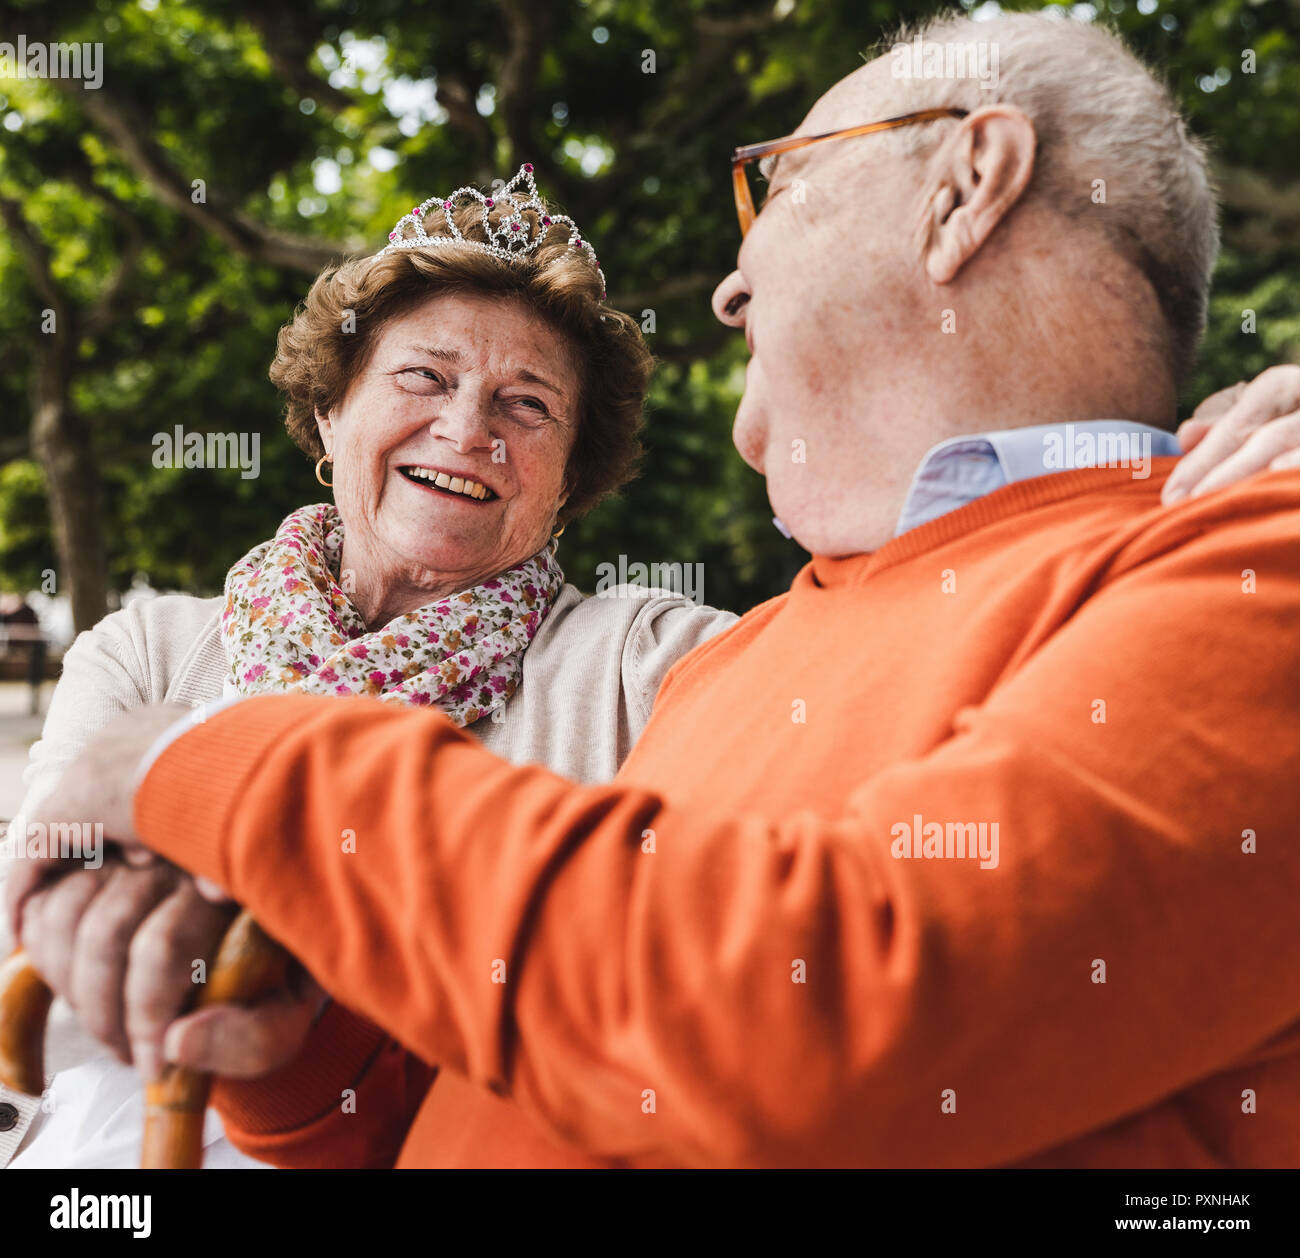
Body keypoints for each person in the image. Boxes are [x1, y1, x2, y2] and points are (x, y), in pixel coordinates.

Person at [8, 10, 1300, 1170]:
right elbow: (571, 1066)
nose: (732, 287)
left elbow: (815, 1016)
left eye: (774, 189)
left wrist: (224, 760)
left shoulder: (1252, 555)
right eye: (421, 380)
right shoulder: (754, 651)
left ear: (970, 185)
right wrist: (307, 1062)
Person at [0, 165, 735, 1168]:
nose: (468, 428)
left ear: (569, 479)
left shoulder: (643, 659)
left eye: (527, 405)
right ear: (332, 414)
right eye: (424, 378)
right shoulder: (150, 648)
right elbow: (43, 952)